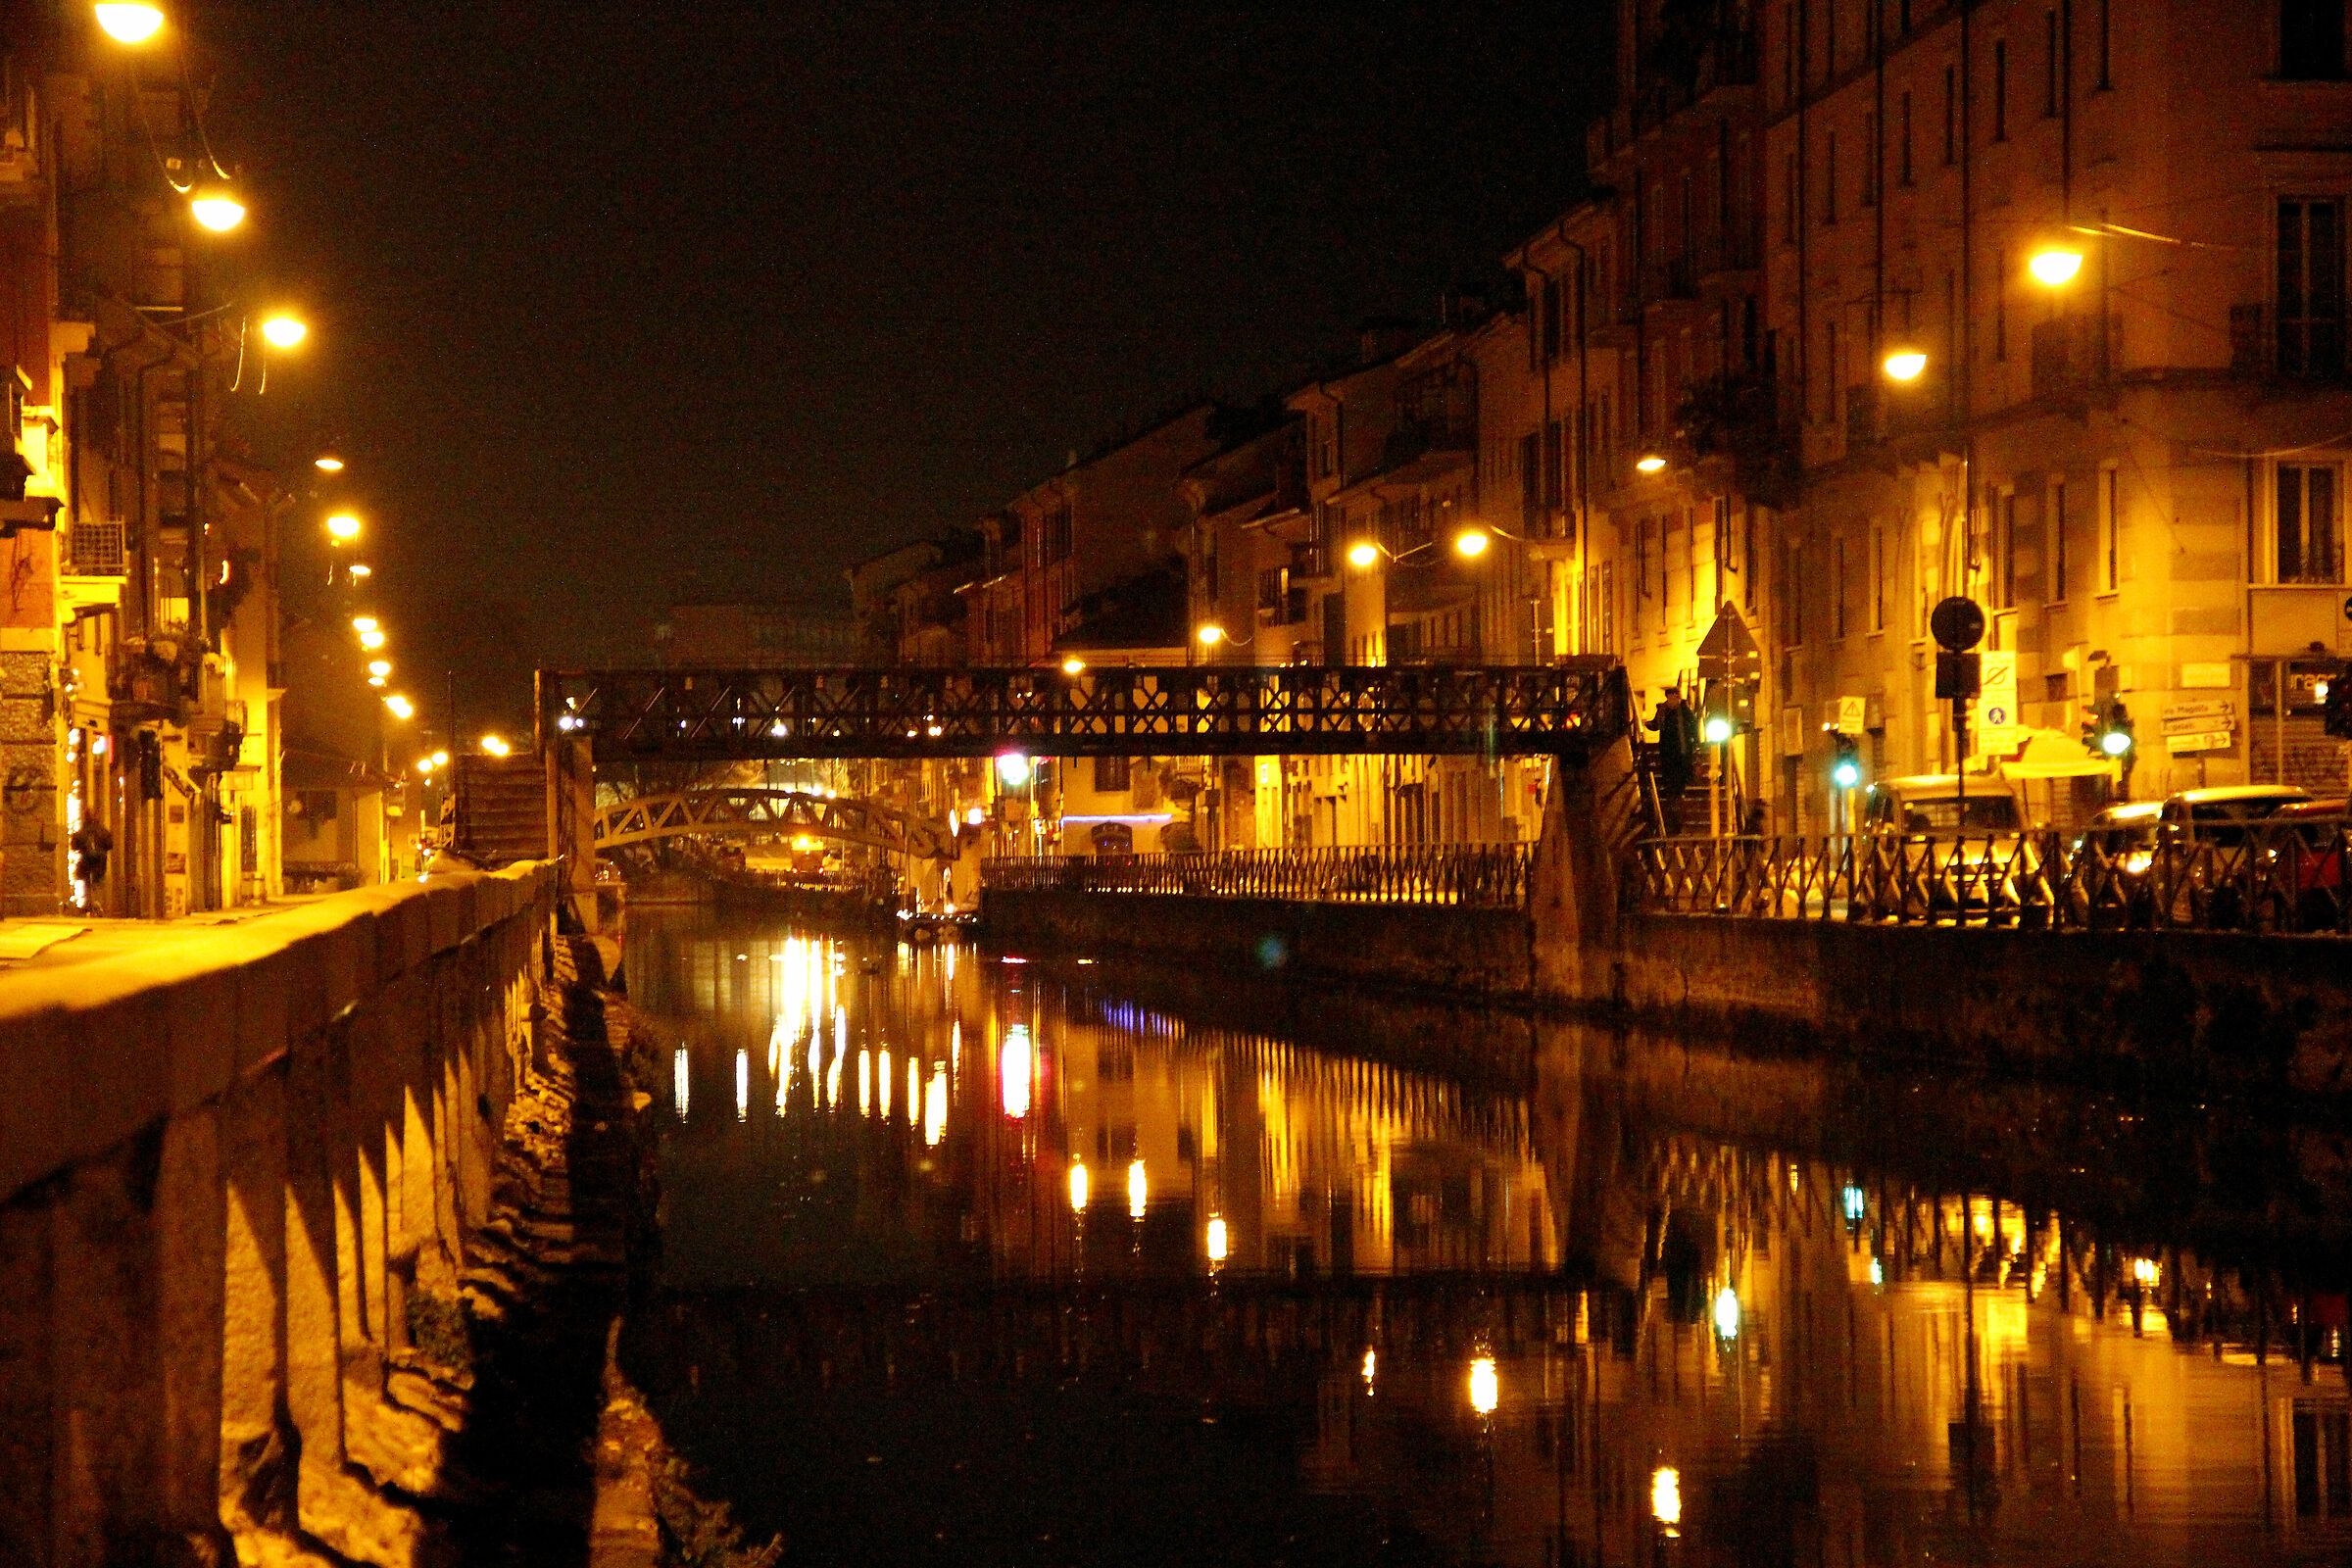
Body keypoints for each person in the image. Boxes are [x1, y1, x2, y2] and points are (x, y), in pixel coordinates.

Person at [1646, 687, 1700, 832]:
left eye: (1674, 696)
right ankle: (1674, 815)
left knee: (1679, 782)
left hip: (1682, 752)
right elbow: (1657, 725)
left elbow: (1693, 726)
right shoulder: (1663, 711)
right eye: (1670, 697)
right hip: (1668, 752)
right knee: (1671, 782)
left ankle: (1678, 812)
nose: (1672, 699)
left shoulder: (1684, 711)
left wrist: (1695, 742)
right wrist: (1649, 725)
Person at [70, 820, 112, 908]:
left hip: (86, 860)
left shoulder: (82, 831)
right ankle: (97, 902)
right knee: (98, 882)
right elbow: (109, 844)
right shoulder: (102, 831)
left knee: (87, 882)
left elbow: (74, 845)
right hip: (100, 860)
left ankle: (89, 902)